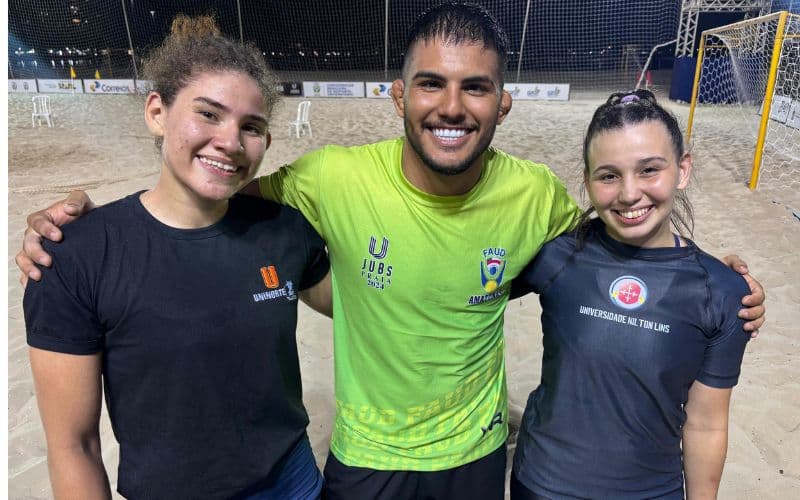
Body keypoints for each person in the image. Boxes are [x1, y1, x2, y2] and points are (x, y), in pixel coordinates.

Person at [16, 3, 765, 499]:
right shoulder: (327, 179)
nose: (451, 105)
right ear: (397, 94)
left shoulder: (535, 195)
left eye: (476, 88)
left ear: (502, 102)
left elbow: (617, 234)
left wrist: (711, 275)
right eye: (430, 84)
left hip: (476, 458)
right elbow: (206, 190)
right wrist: (74, 219)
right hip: (362, 461)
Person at [22, 15, 332, 500]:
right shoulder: (76, 256)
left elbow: (362, 300)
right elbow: (73, 446)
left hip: (291, 482)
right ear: (156, 112)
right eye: (208, 114)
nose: (230, 141)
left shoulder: (283, 231)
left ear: (265, 144)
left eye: (251, 126)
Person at [510, 90, 752, 499]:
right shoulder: (555, 255)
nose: (628, 193)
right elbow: (467, 289)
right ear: (587, 181)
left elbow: (706, 425)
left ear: (683, 169)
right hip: (541, 485)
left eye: (649, 170)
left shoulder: (723, 293)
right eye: (608, 175)